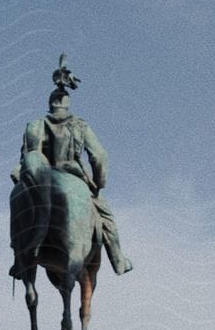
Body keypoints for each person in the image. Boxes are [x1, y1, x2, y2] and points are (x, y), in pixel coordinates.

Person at [10, 55, 132, 279]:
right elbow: (100, 156)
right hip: (74, 177)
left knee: (22, 205)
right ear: (67, 106)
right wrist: (99, 184)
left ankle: (19, 259)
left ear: (50, 105)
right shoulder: (80, 126)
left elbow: (27, 157)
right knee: (107, 220)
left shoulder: (35, 125)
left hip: (43, 177)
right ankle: (119, 259)